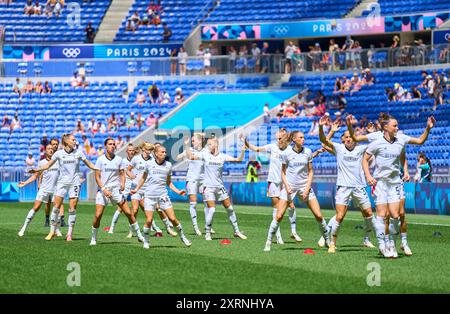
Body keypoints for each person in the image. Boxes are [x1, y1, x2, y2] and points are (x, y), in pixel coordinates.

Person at [361, 114, 435, 258]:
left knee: (396, 215)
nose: (397, 127)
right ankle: (382, 245)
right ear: (386, 127)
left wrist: (428, 128)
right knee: (382, 215)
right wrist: (368, 176)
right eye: (394, 125)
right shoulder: (376, 142)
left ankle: (392, 246)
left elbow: (420, 141)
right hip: (380, 183)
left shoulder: (401, 139)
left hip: (395, 182)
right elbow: (364, 160)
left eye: (397, 125)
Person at [263, 131, 330, 252]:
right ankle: (268, 242)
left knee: (319, 215)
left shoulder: (308, 152)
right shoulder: (287, 153)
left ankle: (328, 241)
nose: (303, 139)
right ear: (294, 139)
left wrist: (307, 188)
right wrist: (287, 187)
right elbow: (283, 172)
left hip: (305, 186)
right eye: (300, 137)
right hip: (290, 186)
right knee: (279, 215)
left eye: (304, 137)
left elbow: (310, 172)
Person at [318, 116, 376, 253]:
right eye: (346, 137)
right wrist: (324, 128)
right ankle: (330, 241)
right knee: (340, 215)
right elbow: (323, 140)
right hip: (343, 187)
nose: (349, 139)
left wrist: (371, 133)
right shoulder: (339, 148)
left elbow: (376, 143)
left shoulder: (361, 149)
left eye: (351, 137)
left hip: (359, 187)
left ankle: (367, 239)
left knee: (368, 213)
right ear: (343, 139)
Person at [29, 134, 97, 241]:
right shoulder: (59, 153)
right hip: (61, 183)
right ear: (66, 141)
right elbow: (47, 165)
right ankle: (52, 231)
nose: (75, 141)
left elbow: (90, 164)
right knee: (56, 207)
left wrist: (98, 168)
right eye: (73, 140)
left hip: (74, 183)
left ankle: (69, 234)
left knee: (72, 208)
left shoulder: (78, 153)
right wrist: (36, 170)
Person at [242, 129, 303, 245]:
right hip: (274, 182)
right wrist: (246, 141)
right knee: (277, 209)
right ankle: (278, 236)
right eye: (278, 138)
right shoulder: (272, 147)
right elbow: (256, 149)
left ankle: (293, 232)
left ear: (286, 139)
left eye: (282, 138)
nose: (279, 140)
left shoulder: (291, 150)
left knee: (291, 206)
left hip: (286, 182)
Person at [183, 137, 247, 241]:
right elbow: (190, 156)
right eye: (207, 144)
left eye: (210, 144)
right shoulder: (205, 155)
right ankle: (208, 233)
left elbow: (238, 160)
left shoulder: (222, 156)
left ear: (216, 144)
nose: (208, 146)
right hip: (208, 188)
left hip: (220, 187)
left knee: (230, 209)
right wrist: (186, 145)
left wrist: (243, 151)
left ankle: (236, 231)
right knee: (212, 210)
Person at [131, 144, 192, 249]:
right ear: (156, 154)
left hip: (163, 196)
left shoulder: (168, 165)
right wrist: (136, 189)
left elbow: (169, 182)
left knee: (173, 219)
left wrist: (178, 191)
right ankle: (146, 241)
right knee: (149, 220)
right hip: (149, 196)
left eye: (165, 152)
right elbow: (143, 178)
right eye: (162, 152)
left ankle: (183, 237)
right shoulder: (149, 164)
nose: (164, 154)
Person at [90, 138, 144, 245]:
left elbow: (122, 173)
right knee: (98, 215)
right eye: (110, 144)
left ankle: (139, 235)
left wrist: (123, 183)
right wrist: (104, 189)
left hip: (116, 190)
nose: (112, 146)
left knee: (128, 213)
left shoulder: (119, 159)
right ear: (105, 146)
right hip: (104, 190)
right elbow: (97, 177)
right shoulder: (100, 160)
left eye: (114, 144)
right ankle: (93, 238)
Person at [126, 142, 176, 238]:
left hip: (148, 189)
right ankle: (131, 230)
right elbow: (127, 169)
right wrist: (131, 175)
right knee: (135, 209)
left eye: (151, 150)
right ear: (143, 149)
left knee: (159, 209)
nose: (150, 151)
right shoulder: (136, 158)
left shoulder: (153, 160)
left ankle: (168, 228)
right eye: (148, 149)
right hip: (136, 187)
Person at [17, 144, 63, 237]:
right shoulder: (42, 163)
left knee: (56, 209)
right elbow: (35, 176)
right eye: (48, 149)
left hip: (55, 189)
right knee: (36, 207)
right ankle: (23, 228)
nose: (50, 150)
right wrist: (25, 183)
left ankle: (55, 229)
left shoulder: (58, 161)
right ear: (45, 151)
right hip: (44, 189)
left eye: (52, 149)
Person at [176, 133, 207, 235]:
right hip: (192, 179)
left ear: (200, 141)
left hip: (203, 180)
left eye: (194, 140)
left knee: (208, 202)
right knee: (193, 204)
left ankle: (208, 226)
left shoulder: (206, 151)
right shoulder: (189, 150)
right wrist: (185, 148)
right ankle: (195, 227)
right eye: (192, 141)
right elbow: (177, 157)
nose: (192, 142)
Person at [108, 143, 136, 234]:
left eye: (132, 150)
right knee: (120, 208)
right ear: (126, 152)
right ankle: (112, 227)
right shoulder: (123, 161)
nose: (131, 152)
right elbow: (122, 173)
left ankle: (153, 227)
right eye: (130, 150)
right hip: (126, 187)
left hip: (136, 187)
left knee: (142, 207)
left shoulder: (138, 160)